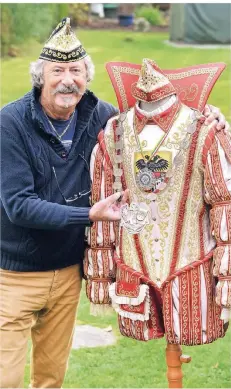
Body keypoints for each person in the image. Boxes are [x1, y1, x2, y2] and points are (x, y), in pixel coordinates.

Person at [0, 18, 227, 388]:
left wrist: (213, 116)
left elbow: (161, 116)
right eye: (57, 70)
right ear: (40, 75)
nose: (67, 79)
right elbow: (19, 205)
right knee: (5, 378)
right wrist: (89, 214)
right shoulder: (10, 123)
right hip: (15, 275)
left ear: (86, 76)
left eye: (75, 70)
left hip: (68, 273)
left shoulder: (102, 118)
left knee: (50, 379)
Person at [84, 58, 231, 347]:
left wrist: (226, 280)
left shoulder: (204, 131)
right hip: (134, 271)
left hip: (193, 274)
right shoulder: (113, 133)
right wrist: (100, 279)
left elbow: (225, 206)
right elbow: (102, 209)